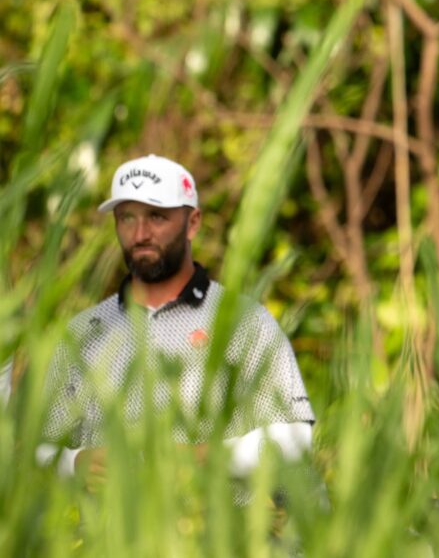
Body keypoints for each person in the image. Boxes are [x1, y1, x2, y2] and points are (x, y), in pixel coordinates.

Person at [37, 154, 315, 484]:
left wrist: (190, 459)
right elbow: (32, 448)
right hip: (106, 534)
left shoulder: (243, 321)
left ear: (193, 222)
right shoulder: (83, 332)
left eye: (157, 216)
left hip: (219, 530)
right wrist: (74, 462)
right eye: (127, 218)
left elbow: (295, 440)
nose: (140, 234)